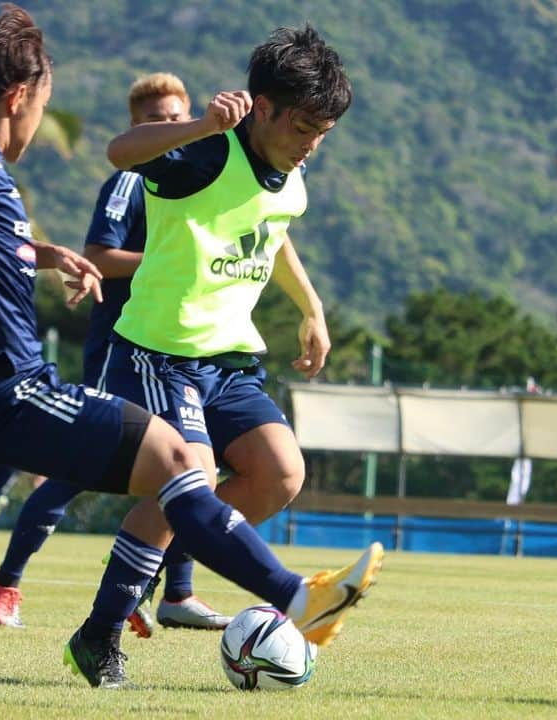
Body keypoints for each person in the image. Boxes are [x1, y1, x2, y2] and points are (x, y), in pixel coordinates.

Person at [0, 5, 383, 690]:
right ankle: (294, 597)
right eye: (44, 99)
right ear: (21, 97)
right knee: (176, 461)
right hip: (8, 390)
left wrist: (44, 254)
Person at [76, 23, 349, 680]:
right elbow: (120, 150)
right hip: (159, 353)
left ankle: (131, 590)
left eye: (323, 132)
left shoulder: (290, 169)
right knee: (189, 480)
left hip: (227, 360)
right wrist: (197, 124)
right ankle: (112, 630)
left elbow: (272, 232)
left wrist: (309, 307)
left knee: (280, 474)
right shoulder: (204, 154)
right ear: (264, 108)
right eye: (304, 126)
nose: (311, 142)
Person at [0, 72, 231, 635]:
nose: (167, 128)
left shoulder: (194, 175)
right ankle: (8, 578)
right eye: (153, 122)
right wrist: (172, 265)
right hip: (124, 347)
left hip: (176, 349)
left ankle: (174, 592)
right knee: (75, 471)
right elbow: (100, 252)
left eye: (174, 118)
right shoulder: (132, 179)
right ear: (134, 127)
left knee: (197, 463)